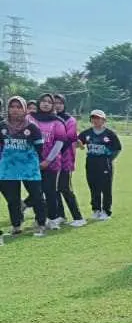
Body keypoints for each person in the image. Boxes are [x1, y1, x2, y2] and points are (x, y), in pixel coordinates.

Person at [0, 97, 48, 237]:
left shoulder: (32, 127)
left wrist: (37, 163)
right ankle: (16, 225)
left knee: (37, 196)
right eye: (12, 106)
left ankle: (41, 224)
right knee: (13, 199)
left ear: (25, 109)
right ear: (8, 108)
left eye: (19, 107)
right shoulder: (2, 126)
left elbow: (39, 148)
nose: (15, 110)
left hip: (29, 168)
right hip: (8, 168)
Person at [30, 93, 69, 230]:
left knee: (50, 191)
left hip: (51, 164)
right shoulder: (30, 119)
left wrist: (47, 160)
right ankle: (39, 219)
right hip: (32, 163)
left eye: (49, 102)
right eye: (43, 101)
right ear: (39, 103)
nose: (45, 104)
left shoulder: (57, 121)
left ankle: (52, 219)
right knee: (36, 193)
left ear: (52, 105)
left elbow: (59, 143)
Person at [77, 109, 121, 220]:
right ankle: (96, 209)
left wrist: (109, 159)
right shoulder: (87, 133)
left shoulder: (109, 134)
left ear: (103, 120)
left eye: (98, 118)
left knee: (105, 188)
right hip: (91, 163)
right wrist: (79, 144)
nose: (96, 120)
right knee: (93, 187)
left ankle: (106, 211)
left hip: (104, 164)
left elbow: (117, 148)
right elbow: (78, 143)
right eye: (93, 118)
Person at [53, 94, 85, 227]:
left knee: (65, 188)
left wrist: (54, 150)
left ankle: (78, 218)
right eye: (55, 103)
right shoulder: (50, 119)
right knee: (54, 189)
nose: (57, 105)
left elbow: (69, 138)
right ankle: (61, 215)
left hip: (65, 159)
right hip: (51, 160)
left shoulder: (70, 120)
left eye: (60, 103)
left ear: (64, 104)